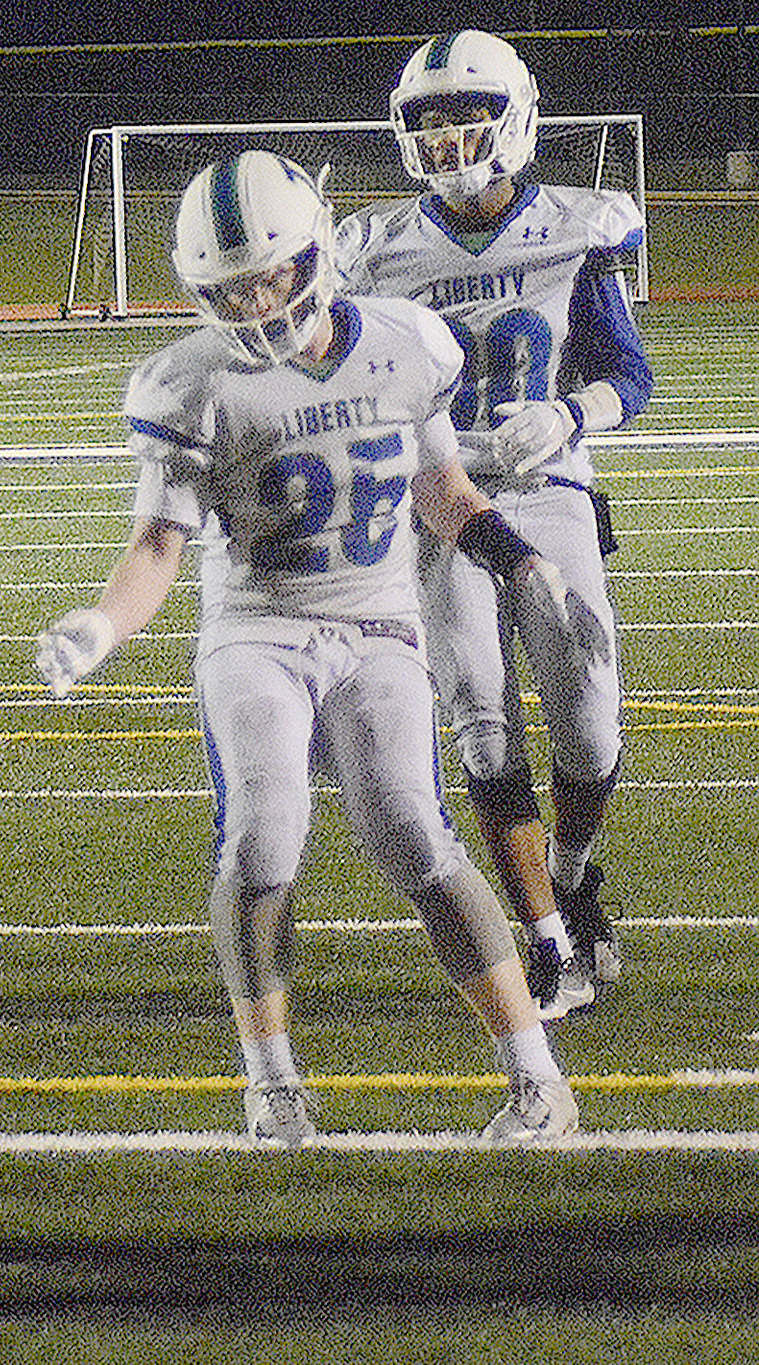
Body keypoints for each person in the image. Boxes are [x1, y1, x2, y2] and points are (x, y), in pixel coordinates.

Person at [35, 150, 597, 1144]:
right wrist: (101, 624)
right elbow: (157, 545)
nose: (254, 302)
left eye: (268, 276)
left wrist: (517, 560)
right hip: (256, 630)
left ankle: (537, 1077)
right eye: (228, 288)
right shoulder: (189, 383)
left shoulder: (407, 343)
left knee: (414, 836)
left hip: (377, 625)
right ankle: (272, 1083)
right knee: (261, 835)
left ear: (313, 254)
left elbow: (443, 491)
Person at [336, 30, 648, 1020]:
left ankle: (572, 875)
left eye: (465, 118)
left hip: (548, 487)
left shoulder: (576, 228)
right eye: (427, 123)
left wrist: (568, 413)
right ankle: (545, 939)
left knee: (589, 725)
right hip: (437, 502)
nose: (445, 139)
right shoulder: (370, 250)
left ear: (513, 119)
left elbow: (628, 375)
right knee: (478, 719)